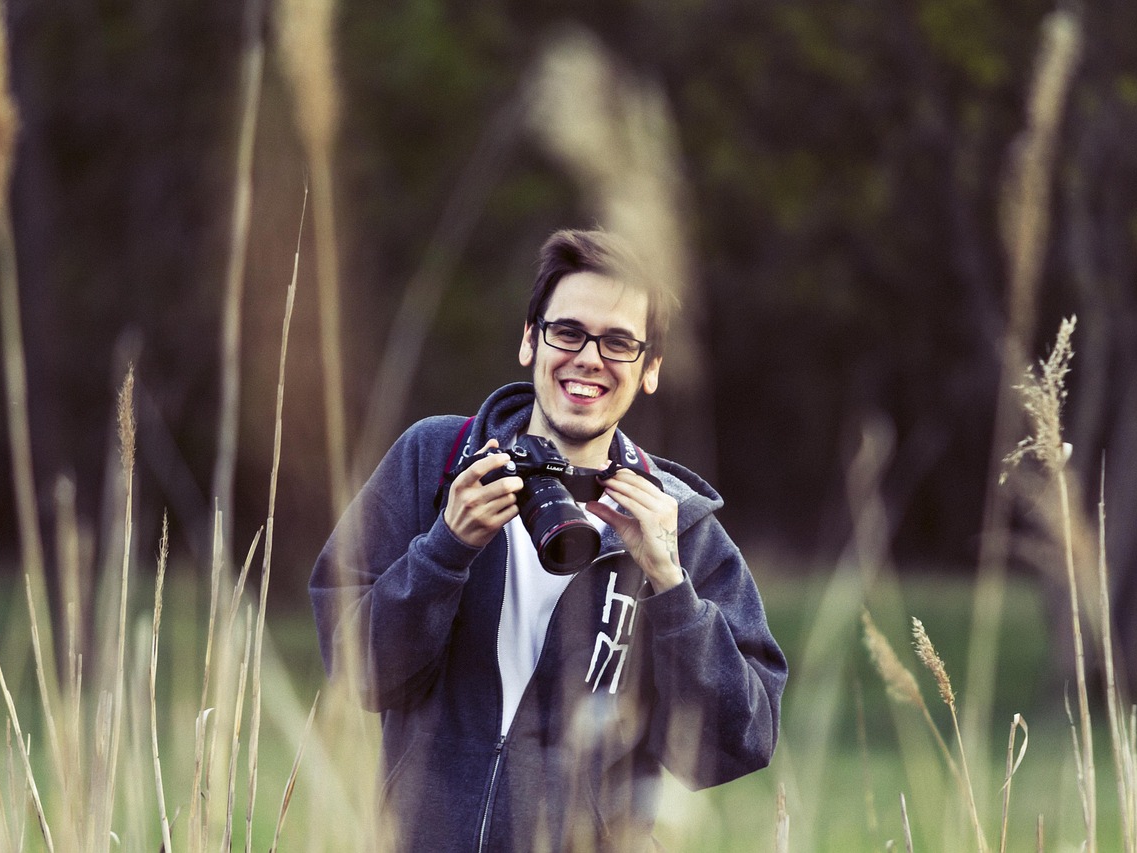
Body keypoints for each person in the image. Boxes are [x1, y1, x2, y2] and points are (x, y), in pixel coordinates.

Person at [310, 228, 786, 852]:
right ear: (531, 340)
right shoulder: (436, 461)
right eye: (568, 332)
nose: (589, 358)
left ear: (651, 370)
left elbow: (738, 743)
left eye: (619, 343)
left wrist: (671, 587)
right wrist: (445, 549)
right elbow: (356, 674)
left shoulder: (681, 527)